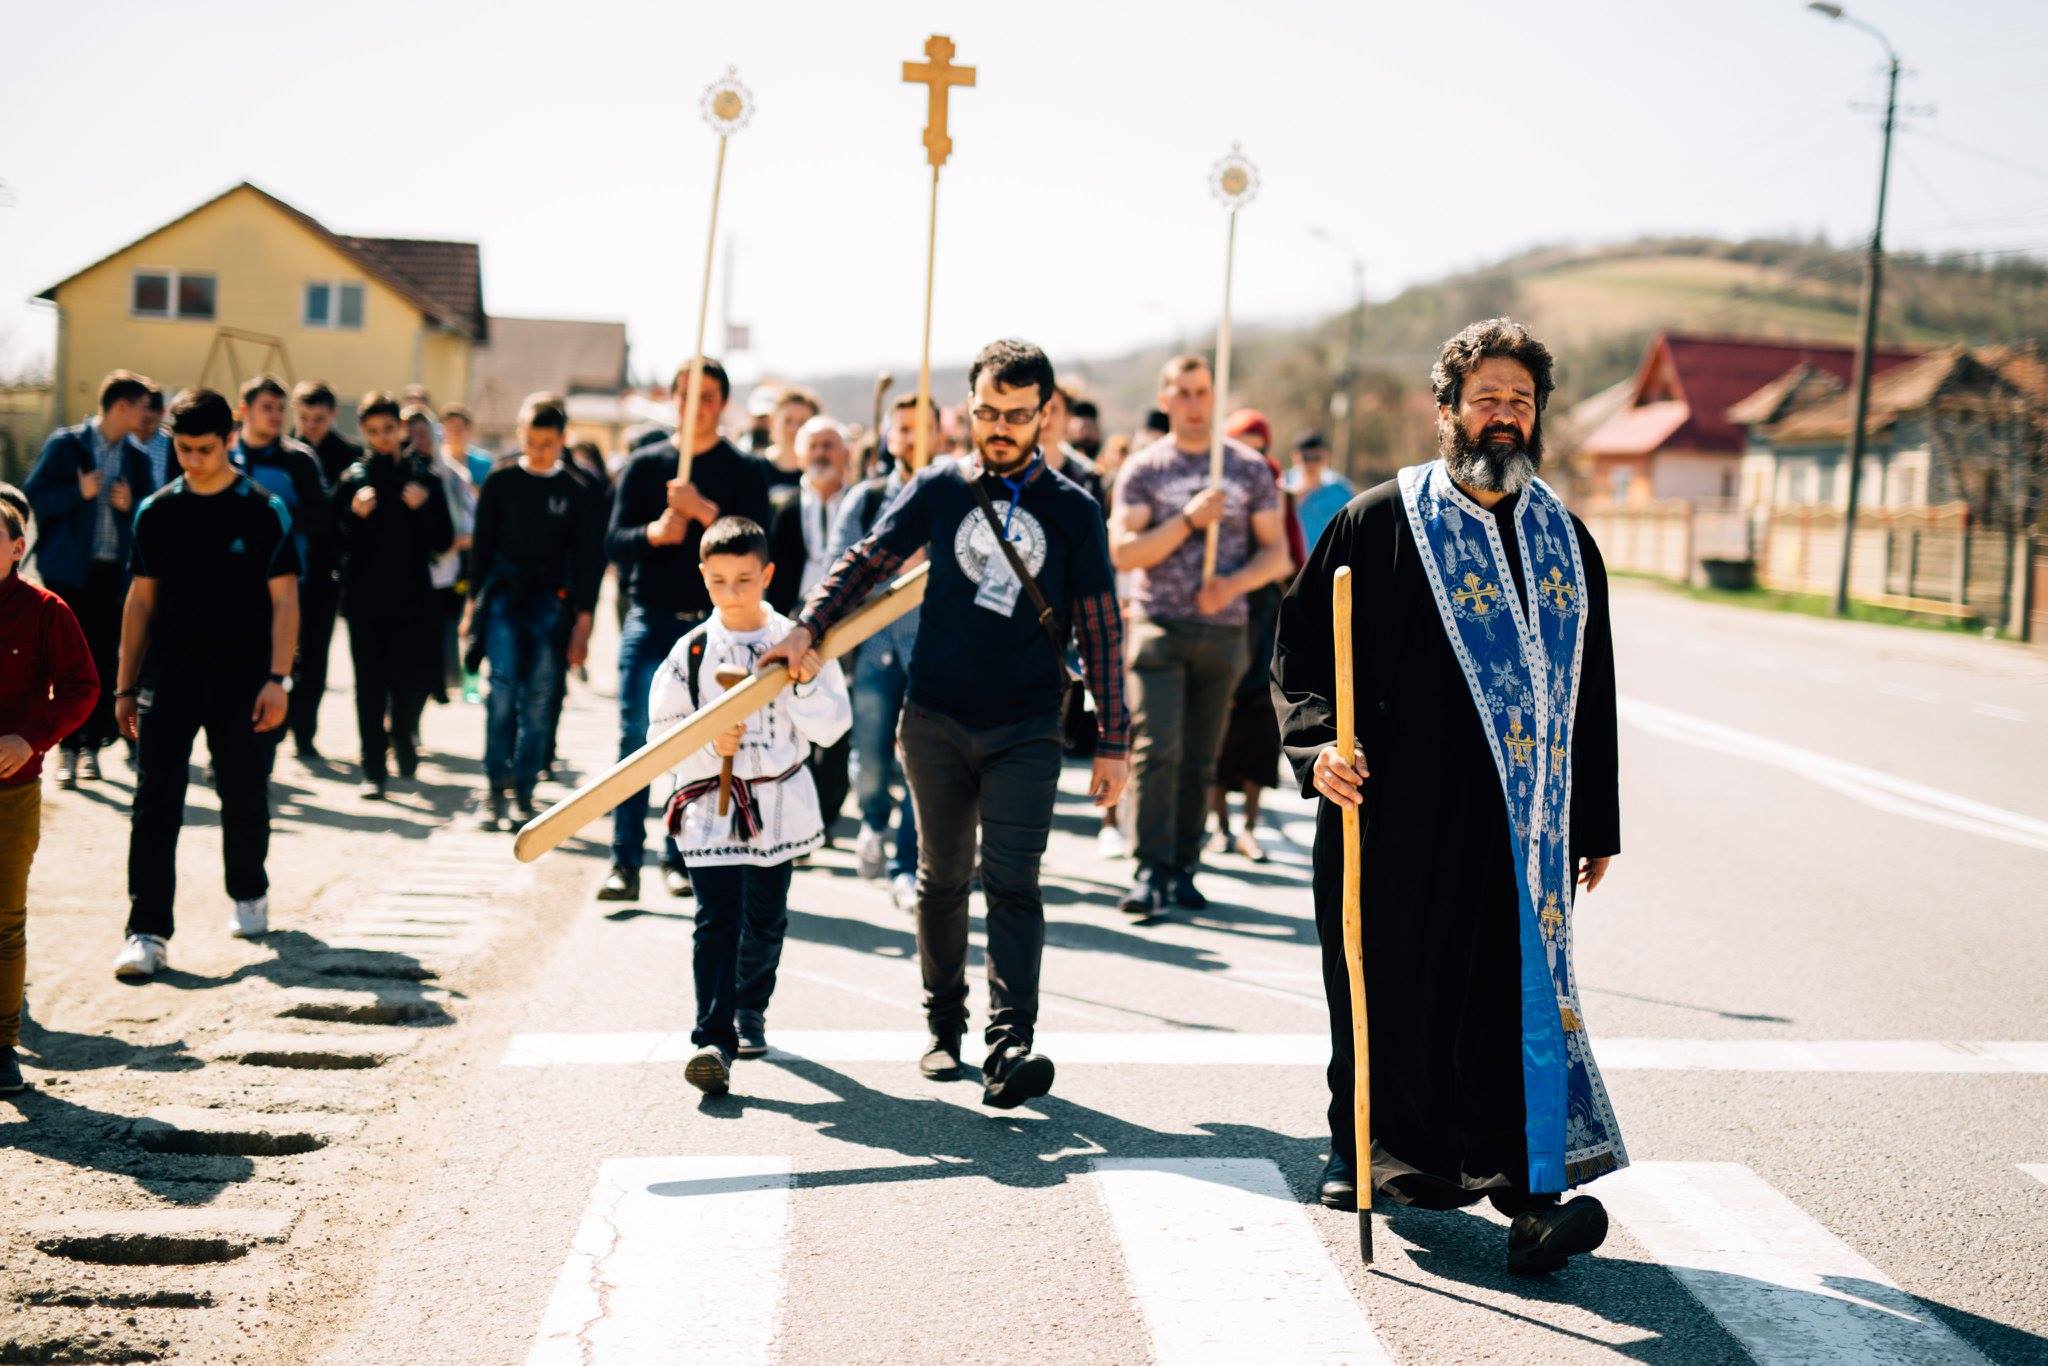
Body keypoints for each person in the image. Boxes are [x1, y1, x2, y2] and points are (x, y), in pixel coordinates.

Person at [1273, 318, 1623, 1275]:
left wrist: (1594, 821)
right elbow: (1300, 653)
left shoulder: (1566, 539)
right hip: (1392, 818)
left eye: (1521, 401)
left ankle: (1533, 1193)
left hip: (1523, 832)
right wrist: (1315, 749)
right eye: (1487, 400)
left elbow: (1590, 691)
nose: (1505, 417)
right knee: (1389, 991)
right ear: (1446, 412)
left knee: (1513, 1004)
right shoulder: (1380, 522)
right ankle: (1374, 1156)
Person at [761, 338, 1130, 1110]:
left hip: (1029, 723)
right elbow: (869, 559)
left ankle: (1010, 1044)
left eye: (1017, 415)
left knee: (1014, 884)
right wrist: (806, 626)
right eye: (988, 412)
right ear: (970, 408)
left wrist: (1116, 743)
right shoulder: (939, 485)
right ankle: (943, 1027)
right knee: (940, 882)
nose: (1000, 427)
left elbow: (1100, 628)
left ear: (1045, 414)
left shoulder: (1072, 509)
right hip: (933, 717)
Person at [652, 516, 851, 1092]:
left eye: (744, 579)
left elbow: (833, 728)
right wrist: (707, 741)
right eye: (718, 581)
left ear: (767, 573)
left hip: (777, 802)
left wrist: (806, 683)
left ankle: (750, 1007)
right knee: (716, 919)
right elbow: (659, 733)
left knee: (764, 919)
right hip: (711, 804)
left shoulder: (795, 639)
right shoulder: (690, 651)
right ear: (703, 577)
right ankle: (712, 1037)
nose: (732, 594)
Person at [111, 388, 300, 980]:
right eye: (184, 449)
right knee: (155, 803)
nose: (193, 460)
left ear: (230, 440)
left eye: (206, 449)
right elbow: (139, 603)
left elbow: (286, 601)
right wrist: (123, 687)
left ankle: (248, 893)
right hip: (169, 677)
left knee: (243, 793)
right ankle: (147, 930)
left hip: (244, 679)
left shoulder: (263, 509)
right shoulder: (157, 511)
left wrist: (278, 679)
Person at [1108, 356, 1293, 917]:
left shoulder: (1246, 469)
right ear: (1165, 399)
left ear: (1214, 397)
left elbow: (1278, 555)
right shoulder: (1145, 469)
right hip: (1158, 625)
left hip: (1223, 631)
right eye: (1182, 392)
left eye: (1202, 391)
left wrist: (1232, 582)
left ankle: (1184, 865)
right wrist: (1188, 521)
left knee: (1200, 755)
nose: (1193, 402)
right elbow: (1124, 550)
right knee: (1156, 746)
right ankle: (1149, 866)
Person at [601, 358, 773, 901]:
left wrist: (707, 515)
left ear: (721, 404)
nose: (696, 406)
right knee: (636, 736)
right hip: (650, 616)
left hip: (712, 627)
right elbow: (612, 541)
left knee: (694, 744)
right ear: (673, 401)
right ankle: (622, 861)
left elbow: (758, 542)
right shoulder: (647, 463)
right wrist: (652, 534)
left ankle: (677, 856)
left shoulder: (742, 470)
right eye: (687, 395)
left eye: (708, 397)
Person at [0, 487, 99, 1091]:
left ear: (17, 548)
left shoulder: (46, 611)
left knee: (4, 920)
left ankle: (3, 1042)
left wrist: (30, 739)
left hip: (12, 790)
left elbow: (83, 688)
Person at [465, 393, 601, 829]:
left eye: (548, 442)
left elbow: (587, 562)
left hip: (552, 606)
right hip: (504, 599)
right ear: (520, 435)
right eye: (531, 440)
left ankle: (524, 789)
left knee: (540, 700)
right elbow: (481, 549)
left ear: (562, 441)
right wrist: (472, 608)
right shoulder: (502, 482)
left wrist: (583, 622)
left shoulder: (577, 491)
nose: (538, 450)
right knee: (501, 693)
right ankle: (493, 789)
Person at [22, 370, 157, 787]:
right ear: (121, 406)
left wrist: (129, 503)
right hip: (67, 575)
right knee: (65, 663)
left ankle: (90, 751)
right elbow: (33, 499)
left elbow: (151, 514)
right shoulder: (68, 445)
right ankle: (66, 748)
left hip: (112, 576)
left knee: (103, 662)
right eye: (140, 406)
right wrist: (75, 493)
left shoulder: (136, 457)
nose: (146, 415)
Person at [832, 394, 932, 906]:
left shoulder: (953, 499)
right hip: (875, 647)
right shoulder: (866, 500)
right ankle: (872, 820)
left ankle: (909, 860)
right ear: (891, 436)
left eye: (922, 429)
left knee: (924, 758)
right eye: (903, 429)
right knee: (869, 752)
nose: (911, 439)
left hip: (932, 650)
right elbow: (839, 568)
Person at [333, 391, 454, 800]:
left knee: (408, 683)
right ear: (363, 433)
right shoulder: (354, 480)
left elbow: (444, 539)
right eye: (373, 432)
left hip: (413, 600)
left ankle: (402, 736)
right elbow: (332, 540)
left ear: (400, 428)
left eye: (388, 429)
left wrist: (424, 508)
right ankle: (373, 769)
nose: (382, 438)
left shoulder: (424, 479)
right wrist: (352, 515)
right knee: (369, 686)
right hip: (365, 601)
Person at [1206, 409, 1305, 863]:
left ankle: (1248, 825)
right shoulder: (1210, 487)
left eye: (1258, 446)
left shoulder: (1276, 491)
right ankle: (1218, 824)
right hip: (1216, 611)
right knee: (1214, 721)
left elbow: (1292, 560)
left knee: (1259, 721)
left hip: (1262, 614)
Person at [229, 378, 334, 738]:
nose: (275, 416)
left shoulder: (299, 461)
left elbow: (323, 518)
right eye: (266, 408)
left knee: (279, 662)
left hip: (285, 580)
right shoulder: (224, 456)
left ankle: (278, 737)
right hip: (230, 579)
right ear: (244, 410)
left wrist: (273, 513)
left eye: (279, 408)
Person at [767, 415, 853, 841]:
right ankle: (795, 820)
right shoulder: (779, 506)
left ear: (846, 454)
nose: (821, 455)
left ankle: (824, 814)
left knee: (836, 722)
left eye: (829, 446)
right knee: (793, 722)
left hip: (848, 625)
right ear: (799, 455)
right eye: (813, 447)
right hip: (790, 624)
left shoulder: (861, 504)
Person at [289, 381, 362, 759]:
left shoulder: (349, 457)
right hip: (282, 571)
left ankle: (305, 732)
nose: (310, 425)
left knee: (315, 655)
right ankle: (278, 723)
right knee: (281, 653)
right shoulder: (282, 450)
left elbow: (339, 521)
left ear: (333, 415)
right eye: (303, 417)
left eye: (318, 419)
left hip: (324, 573)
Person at [429, 412, 481, 708]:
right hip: (432, 567)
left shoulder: (474, 467)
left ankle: (466, 681)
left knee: (465, 625)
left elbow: (479, 516)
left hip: (463, 562)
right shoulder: (427, 468)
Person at [1288, 430, 1355, 554]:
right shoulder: (1283, 485)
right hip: (1291, 564)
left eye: (1317, 458)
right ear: (1295, 457)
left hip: (1325, 562)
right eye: (1306, 458)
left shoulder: (1340, 490)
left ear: (1326, 457)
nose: (1311, 463)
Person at [762, 386, 820, 490]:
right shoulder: (755, 468)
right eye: (787, 421)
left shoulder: (820, 473)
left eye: (802, 422)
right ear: (773, 422)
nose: (794, 429)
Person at [441, 403, 496, 489]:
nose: (454, 433)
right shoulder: (436, 459)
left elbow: (487, 496)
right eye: (449, 428)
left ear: (468, 430)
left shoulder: (482, 462)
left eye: (459, 428)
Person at [132, 387, 172, 488]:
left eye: (155, 410)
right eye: (146, 409)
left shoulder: (171, 447)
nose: (150, 414)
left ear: (163, 412)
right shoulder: (121, 441)